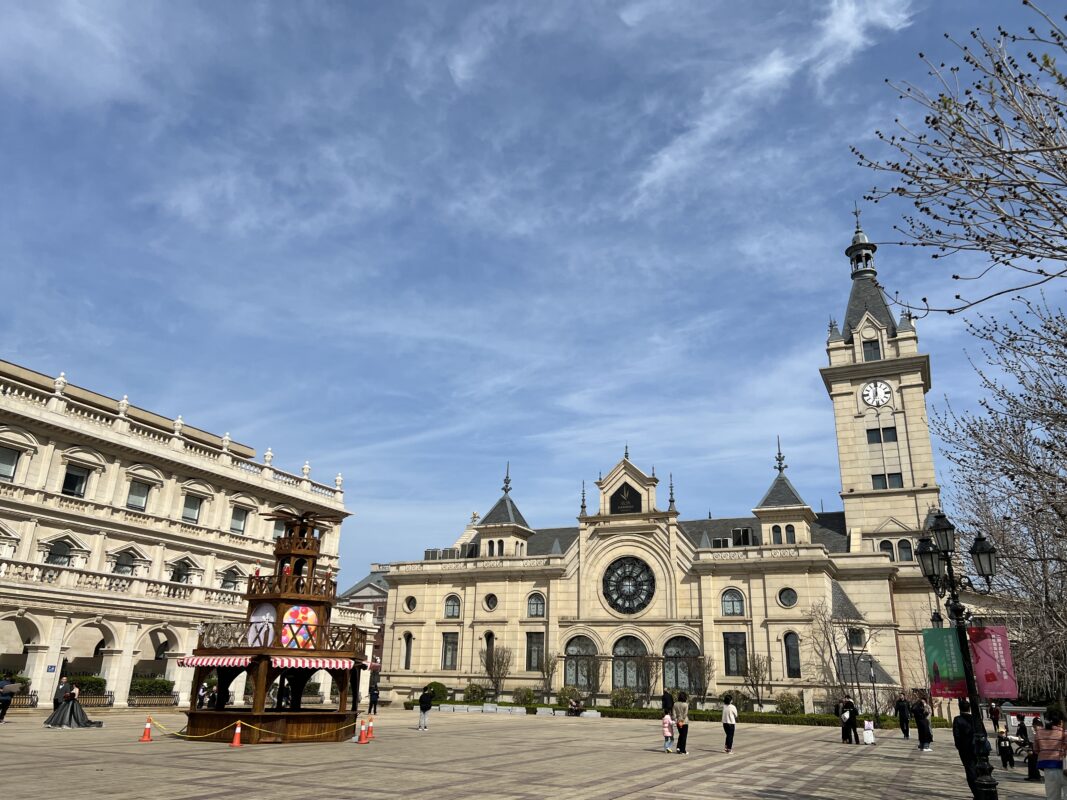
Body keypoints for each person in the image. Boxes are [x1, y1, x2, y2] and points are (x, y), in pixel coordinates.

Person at [1034, 709, 1067, 798]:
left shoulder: (1039, 733)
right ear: (1060, 721)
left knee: (1052, 796)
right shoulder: (1064, 733)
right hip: (1065, 767)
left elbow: (1036, 750)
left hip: (1049, 769)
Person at [952, 698, 979, 799]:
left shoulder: (958, 719)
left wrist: (959, 747)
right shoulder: (975, 718)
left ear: (959, 708)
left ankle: (977, 794)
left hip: (965, 750)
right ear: (969, 708)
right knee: (979, 770)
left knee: (970, 771)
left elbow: (956, 736)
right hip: (977, 749)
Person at [672, 691, 689, 755]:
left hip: (678, 721)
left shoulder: (675, 704)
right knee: (684, 736)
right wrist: (682, 720)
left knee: (680, 735)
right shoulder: (685, 704)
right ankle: (683, 750)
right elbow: (685, 714)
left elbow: (673, 714)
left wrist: (677, 720)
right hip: (684, 722)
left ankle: (678, 747)